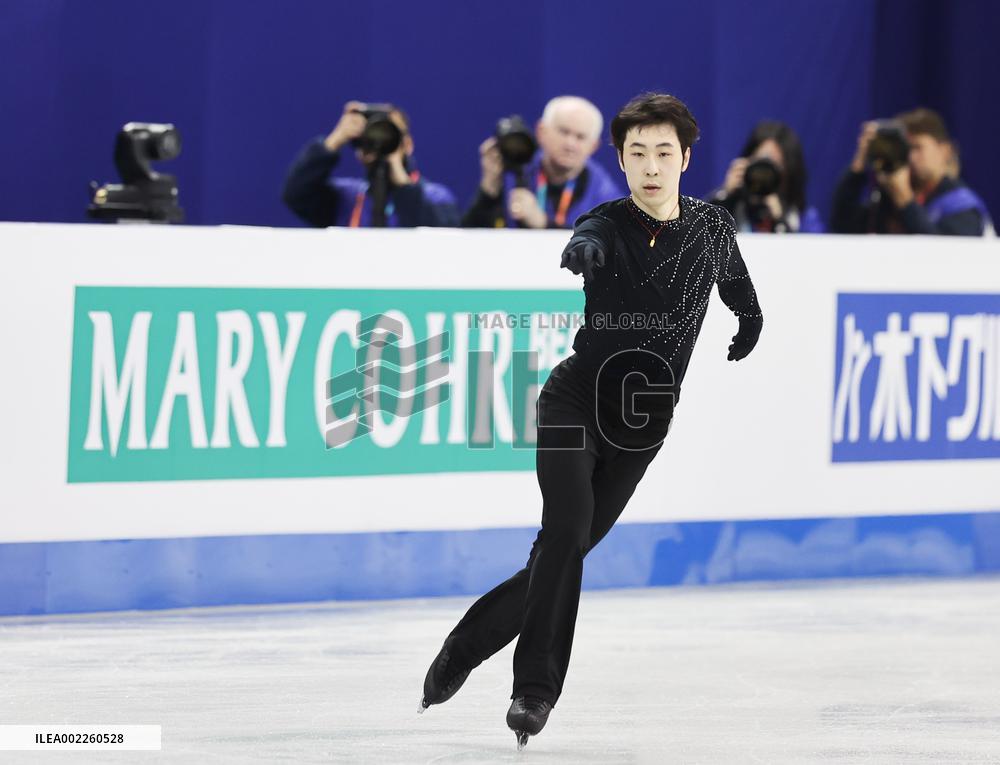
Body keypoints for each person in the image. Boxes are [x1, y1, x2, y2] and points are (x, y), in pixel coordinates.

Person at [418, 92, 764, 749]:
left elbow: (736, 285)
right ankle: (535, 691)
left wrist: (750, 319)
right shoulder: (604, 222)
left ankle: (464, 646)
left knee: (561, 553)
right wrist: (580, 250)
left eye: (665, 153)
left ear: (686, 158)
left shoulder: (713, 227)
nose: (652, 166)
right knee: (567, 529)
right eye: (638, 154)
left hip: (643, 429)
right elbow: (589, 238)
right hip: (575, 404)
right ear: (622, 160)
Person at [281, 101, 460, 227]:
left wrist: (402, 183)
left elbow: (441, 241)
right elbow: (296, 194)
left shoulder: (435, 197)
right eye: (371, 136)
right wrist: (335, 139)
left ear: (408, 144)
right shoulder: (348, 199)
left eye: (390, 133)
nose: (380, 141)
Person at [461, 95, 624, 229]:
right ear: (541, 131)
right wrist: (488, 192)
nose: (570, 144)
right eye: (563, 132)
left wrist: (543, 223)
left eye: (580, 137)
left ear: (593, 146)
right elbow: (469, 240)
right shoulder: (514, 167)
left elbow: (611, 249)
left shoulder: (605, 196)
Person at [830, 107, 993, 236]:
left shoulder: (961, 205)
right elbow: (841, 224)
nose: (911, 157)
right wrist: (860, 164)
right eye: (906, 149)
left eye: (917, 148)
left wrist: (905, 199)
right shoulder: (888, 200)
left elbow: (944, 260)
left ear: (945, 151)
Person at [707, 120, 824, 233]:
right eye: (761, 162)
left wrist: (781, 221)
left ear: (789, 171)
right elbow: (700, 237)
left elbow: (813, 250)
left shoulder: (804, 219)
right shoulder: (730, 209)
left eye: (774, 165)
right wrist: (725, 196)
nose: (764, 175)